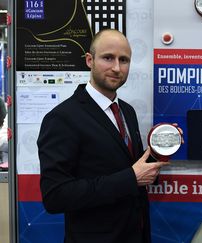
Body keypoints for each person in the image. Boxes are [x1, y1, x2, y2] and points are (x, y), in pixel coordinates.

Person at [38, 29, 172, 243]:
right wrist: (131, 178)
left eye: (124, 60)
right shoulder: (63, 118)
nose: (117, 68)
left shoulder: (127, 111)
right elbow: (55, 196)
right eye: (108, 58)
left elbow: (133, 168)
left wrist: (160, 149)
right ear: (89, 60)